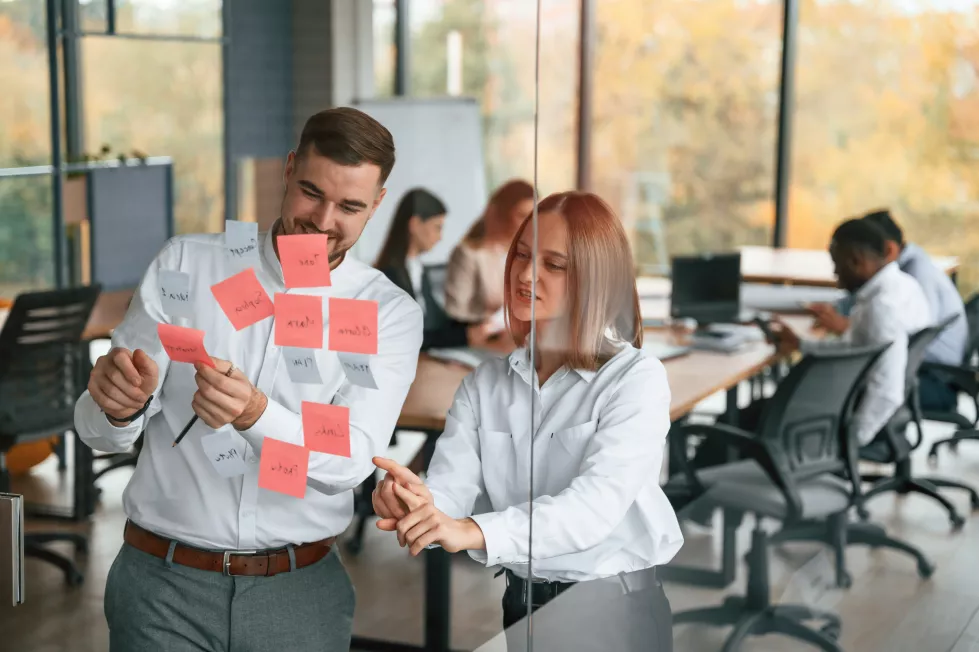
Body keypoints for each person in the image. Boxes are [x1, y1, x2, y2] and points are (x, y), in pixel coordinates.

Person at [74, 107, 423, 652]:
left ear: (377, 204)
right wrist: (119, 408)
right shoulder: (189, 263)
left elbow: (351, 462)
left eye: (350, 206)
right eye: (311, 192)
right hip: (162, 584)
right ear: (288, 170)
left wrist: (257, 414)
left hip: (298, 591)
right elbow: (101, 431)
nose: (324, 220)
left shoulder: (386, 312)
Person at [372, 191, 682, 651]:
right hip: (521, 608)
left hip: (611, 615)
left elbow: (592, 509)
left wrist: (473, 530)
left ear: (594, 278)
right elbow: (452, 489)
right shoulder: (484, 384)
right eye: (521, 254)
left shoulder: (635, 380)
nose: (525, 274)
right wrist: (419, 504)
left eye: (553, 264)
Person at [777, 218, 932, 447]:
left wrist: (850, 442)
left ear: (855, 261)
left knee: (735, 422)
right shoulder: (903, 287)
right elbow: (854, 348)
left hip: (853, 416)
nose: (835, 273)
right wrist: (802, 345)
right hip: (869, 409)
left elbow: (887, 392)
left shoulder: (881, 309)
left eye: (837, 264)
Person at [810, 209, 966, 411]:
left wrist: (844, 326)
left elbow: (892, 332)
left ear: (890, 250)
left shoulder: (915, 276)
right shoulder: (904, 275)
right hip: (918, 373)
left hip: (934, 377)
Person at [374, 188, 495, 349]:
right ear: (415, 224)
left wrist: (477, 324)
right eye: (437, 227)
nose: (440, 237)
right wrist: (465, 336)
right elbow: (410, 336)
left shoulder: (418, 270)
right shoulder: (387, 276)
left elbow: (438, 323)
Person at [443, 179, 535, 325]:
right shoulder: (468, 254)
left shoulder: (523, 254)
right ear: (501, 214)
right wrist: (489, 321)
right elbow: (455, 312)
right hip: (487, 337)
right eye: (522, 215)